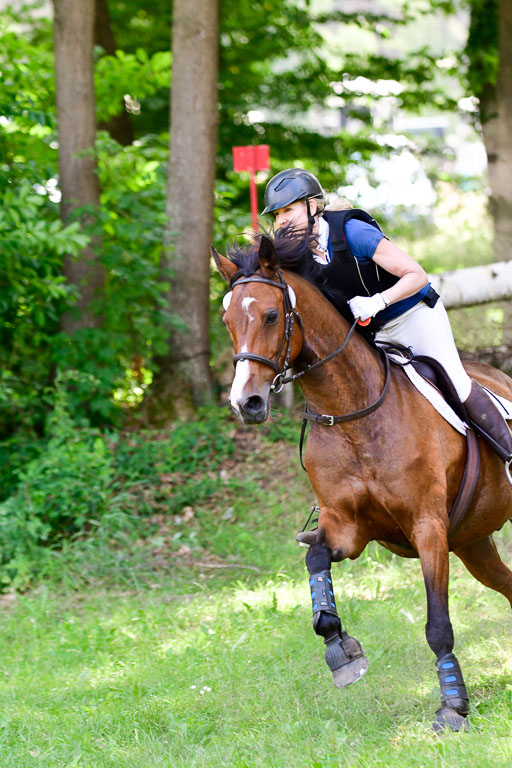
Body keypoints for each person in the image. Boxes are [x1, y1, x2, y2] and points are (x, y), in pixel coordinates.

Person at [261, 167, 512, 469]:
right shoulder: (298, 257)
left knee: (456, 384)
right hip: (373, 333)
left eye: (289, 209)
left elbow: (416, 275)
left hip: (413, 315)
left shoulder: (353, 232)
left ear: (312, 206)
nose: (282, 220)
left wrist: (378, 301)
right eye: (276, 215)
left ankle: (509, 454)